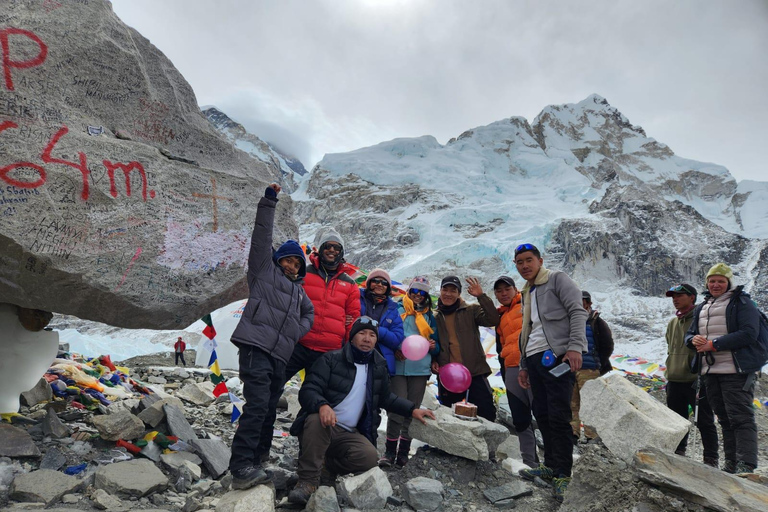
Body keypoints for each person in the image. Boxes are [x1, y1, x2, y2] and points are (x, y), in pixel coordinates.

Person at [288, 316, 436, 504]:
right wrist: (322, 405)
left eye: (372, 335)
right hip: (323, 425)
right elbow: (309, 389)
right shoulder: (331, 359)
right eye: (362, 333)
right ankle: (307, 481)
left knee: (368, 458)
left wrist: (412, 410)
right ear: (352, 338)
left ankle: (327, 467)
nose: (367, 339)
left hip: (349, 432)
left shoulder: (378, 365)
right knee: (316, 419)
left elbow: (386, 398)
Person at [227, 183, 315, 490]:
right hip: (256, 347)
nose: (291, 265)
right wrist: (268, 202)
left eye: (296, 263)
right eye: (288, 260)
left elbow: (310, 315)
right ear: (279, 259)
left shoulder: (299, 292)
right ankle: (240, 468)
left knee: (267, 407)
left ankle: (259, 459)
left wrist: (294, 333)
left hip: (280, 354)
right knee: (256, 404)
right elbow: (261, 237)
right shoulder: (263, 270)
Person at [514, 243, 587, 503]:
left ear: (540, 260)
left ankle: (564, 473)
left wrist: (575, 347)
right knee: (541, 413)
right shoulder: (527, 291)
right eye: (519, 262)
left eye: (528, 260)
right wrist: (524, 365)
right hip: (534, 359)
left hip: (557, 355)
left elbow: (578, 311)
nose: (524, 265)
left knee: (559, 414)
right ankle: (551, 465)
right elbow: (528, 330)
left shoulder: (557, 279)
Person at [686, 263, 763, 474]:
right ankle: (730, 463)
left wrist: (714, 344)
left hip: (735, 370)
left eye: (721, 281)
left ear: (729, 282)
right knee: (724, 418)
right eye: (712, 281)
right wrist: (693, 340)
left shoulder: (742, 303)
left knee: (741, 416)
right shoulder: (702, 307)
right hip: (710, 371)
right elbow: (689, 335)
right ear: (707, 283)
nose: (716, 284)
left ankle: (746, 464)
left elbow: (749, 333)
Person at [284, 228, 360, 383]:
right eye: (327, 246)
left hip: (328, 351)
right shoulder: (303, 272)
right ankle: (265, 408)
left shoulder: (350, 284)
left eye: (336, 247)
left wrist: (347, 350)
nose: (332, 250)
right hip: (297, 343)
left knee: (314, 394)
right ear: (320, 249)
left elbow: (352, 320)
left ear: (342, 252)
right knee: (274, 383)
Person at [380, 276, 440, 467]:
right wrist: (396, 347)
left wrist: (433, 346)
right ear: (409, 291)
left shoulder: (431, 316)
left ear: (426, 296)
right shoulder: (396, 310)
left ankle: (403, 453)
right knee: (396, 409)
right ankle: (389, 452)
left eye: (422, 292)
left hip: (420, 369)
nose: (417, 295)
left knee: (412, 410)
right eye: (414, 291)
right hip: (398, 367)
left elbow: (438, 345)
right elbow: (387, 335)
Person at [664, 283, 718, 467]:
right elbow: (670, 348)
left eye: (679, 296)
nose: (675, 299)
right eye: (673, 297)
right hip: (674, 379)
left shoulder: (701, 320)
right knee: (676, 421)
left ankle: (711, 459)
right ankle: (678, 453)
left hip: (696, 380)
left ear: (692, 297)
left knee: (704, 420)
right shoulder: (672, 323)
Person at [433, 275, 500, 422]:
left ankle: (486, 445)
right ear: (440, 291)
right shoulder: (435, 316)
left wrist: (481, 296)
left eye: (453, 290)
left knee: (486, 412)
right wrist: (433, 360)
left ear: (459, 293)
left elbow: (493, 319)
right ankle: (449, 446)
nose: (448, 294)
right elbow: (432, 342)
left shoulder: (471, 310)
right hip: (448, 376)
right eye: (445, 289)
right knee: (450, 416)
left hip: (474, 371)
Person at [494, 275, 538, 468]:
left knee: (542, 412)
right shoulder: (500, 316)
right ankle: (530, 462)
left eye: (507, 289)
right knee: (520, 416)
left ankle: (555, 463)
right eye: (499, 291)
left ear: (515, 289)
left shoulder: (529, 303)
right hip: (511, 367)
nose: (503, 294)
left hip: (533, 364)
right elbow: (500, 345)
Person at [570, 291, 614, 443]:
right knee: (572, 402)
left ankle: (592, 435)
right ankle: (572, 433)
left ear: (588, 303)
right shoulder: (568, 320)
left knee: (589, 403)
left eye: (581, 301)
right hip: (570, 369)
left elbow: (607, 345)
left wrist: (598, 363)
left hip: (589, 369)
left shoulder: (596, 322)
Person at [358, 269, 405, 377]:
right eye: (375, 281)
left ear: (388, 287)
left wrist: (376, 330)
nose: (379, 285)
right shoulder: (357, 297)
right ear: (369, 283)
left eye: (384, 283)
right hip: (353, 355)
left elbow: (397, 338)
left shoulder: (392, 308)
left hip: (381, 361)